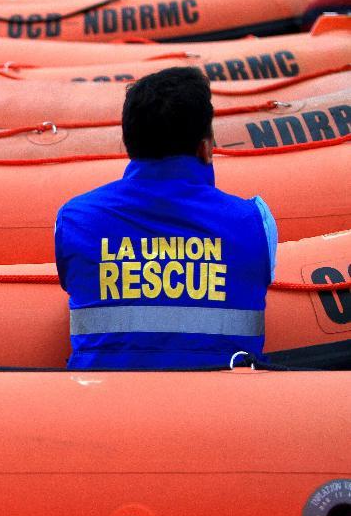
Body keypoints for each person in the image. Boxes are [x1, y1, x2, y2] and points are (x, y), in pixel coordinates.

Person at [54, 67, 277, 370]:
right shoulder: (256, 222)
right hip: (224, 413)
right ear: (206, 146)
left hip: (104, 410)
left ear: (128, 143)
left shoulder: (74, 220)